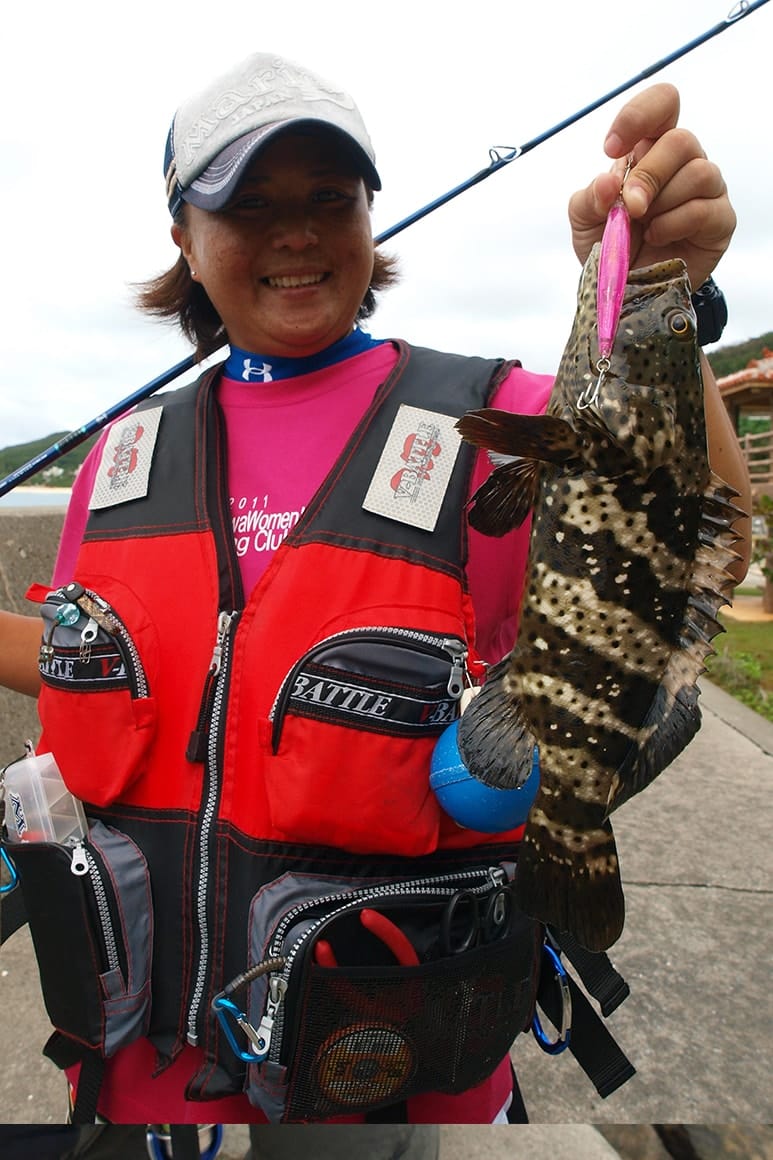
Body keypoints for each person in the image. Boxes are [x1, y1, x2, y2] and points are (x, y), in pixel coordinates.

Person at [0, 50, 751, 1156]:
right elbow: (107, 663)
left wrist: (650, 292)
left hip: (378, 1064)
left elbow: (699, 546)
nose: (295, 232)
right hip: (138, 1066)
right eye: (247, 205)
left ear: (368, 215)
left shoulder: (498, 415)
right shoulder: (120, 462)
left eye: (328, 199)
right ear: (183, 241)